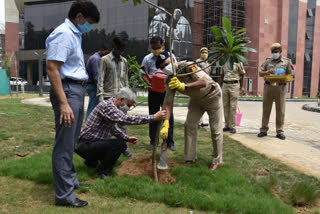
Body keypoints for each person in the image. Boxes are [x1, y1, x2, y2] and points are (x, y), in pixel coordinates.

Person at [45, 0, 100, 208]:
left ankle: (70, 181)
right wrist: (64, 103)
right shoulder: (64, 34)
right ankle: (64, 195)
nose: (90, 27)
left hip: (77, 89)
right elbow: (52, 68)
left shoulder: (74, 34)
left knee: (72, 140)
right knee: (64, 145)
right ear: (79, 17)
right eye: (89, 22)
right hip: (68, 92)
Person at [75, 88, 166, 178]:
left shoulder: (110, 106)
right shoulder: (108, 106)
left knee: (117, 142)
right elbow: (125, 119)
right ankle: (103, 172)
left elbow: (112, 129)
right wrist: (153, 117)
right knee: (120, 145)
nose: (128, 108)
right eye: (128, 105)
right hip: (85, 145)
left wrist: (127, 138)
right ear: (121, 99)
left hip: (88, 144)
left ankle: (91, 162)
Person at [156, 51, 223, 171]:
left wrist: (184, 86)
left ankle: (217, 161)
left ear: (173, 59)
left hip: (212, 95)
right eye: (162, 68)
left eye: (166, 64)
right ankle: (190, 158)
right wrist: (165, 123)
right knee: (189, 125)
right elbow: (168, 103)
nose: (165, 68)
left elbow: (204, 82)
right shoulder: (170, 79)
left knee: (215, 129)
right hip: (196, 100)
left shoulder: (187, 66)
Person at [97, 34, 132, 157]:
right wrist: (101, 100)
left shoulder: (125, 62)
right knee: (108, 127)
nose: (121, 50)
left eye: (123, 47)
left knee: (123, 124)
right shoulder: (105, 60)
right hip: (108, 98)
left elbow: (126, 81)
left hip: (122, 99)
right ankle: (102, 151)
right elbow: (100, 80)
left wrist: (129, 97)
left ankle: (125, 149)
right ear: (114, 45)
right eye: (120, 47)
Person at [140, 36, 175, 151]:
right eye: (154, 48)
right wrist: (148, 83)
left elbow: (176, 70)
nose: (156, 50)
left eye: (158, 47)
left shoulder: (170, 56)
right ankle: (153, 141)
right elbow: (143, 73)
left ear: (163, 45)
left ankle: (170, 141)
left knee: (169, 115)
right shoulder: (147, 58)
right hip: (153, 91)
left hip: (166, 91)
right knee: (153, 116)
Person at [257, 43, 293, 140]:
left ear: (280, 52)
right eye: (273, 52)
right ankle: (263, 130)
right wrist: (267, 72)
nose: (274, 54)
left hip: (280, 88)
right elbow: (260, 73)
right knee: (266, 109)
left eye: (276, 52)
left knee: (280, 110)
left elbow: (291, 75)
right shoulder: (267, 61)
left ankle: (280, 131)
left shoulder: (287, 62)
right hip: (268, 87)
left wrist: (285, 79)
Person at [220, 62, 246, 134]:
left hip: (234, 85)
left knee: (233, 106)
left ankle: (233, 126)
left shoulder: (238, 63)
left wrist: (243, 87)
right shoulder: (224, 62)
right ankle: (227, 125)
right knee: (225, 106)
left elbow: (243, 75)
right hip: (225, 85)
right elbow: (221, 75)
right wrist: (220, 86)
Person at [85, 46, 109, 120]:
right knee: (92, 108)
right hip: (93, 86)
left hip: (92, 85)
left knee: (93, 106)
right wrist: (101, 88)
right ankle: (88, 125)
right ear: (102, 50)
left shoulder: (95, 58)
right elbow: (97, 76)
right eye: (107, 53)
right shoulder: (96, 59)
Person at [196, 47, 211, 128]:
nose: (204, 54)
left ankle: (202, 121)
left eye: (206, 53)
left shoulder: (208, 63)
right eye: (203, 52)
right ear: (200, 53)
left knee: (204, 104)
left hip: (207, 85)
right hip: (199, 84)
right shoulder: (197, 62)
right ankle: (198, 122)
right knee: (199, 104)